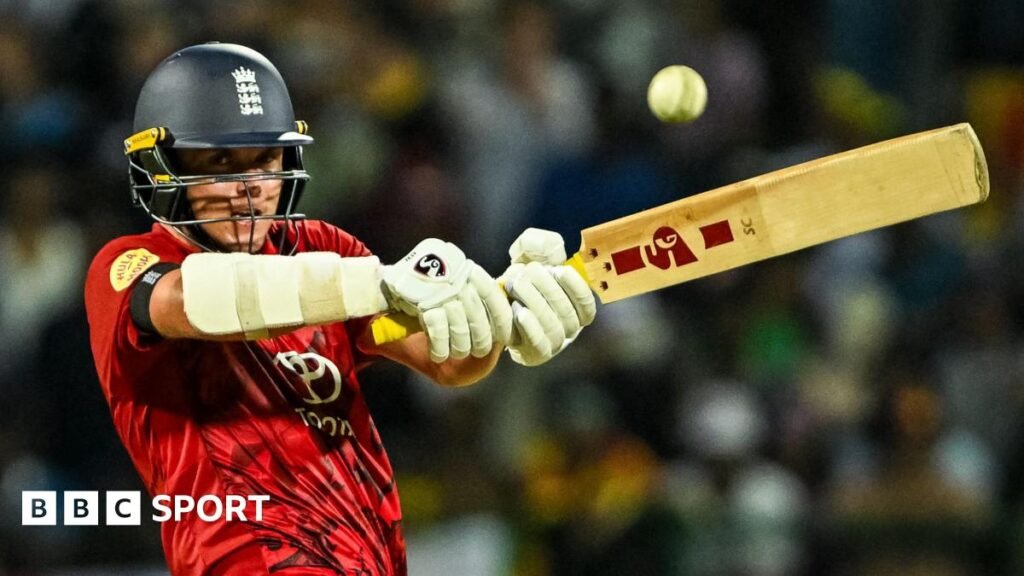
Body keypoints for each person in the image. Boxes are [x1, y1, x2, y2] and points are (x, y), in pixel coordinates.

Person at [84, 42, 595, 576]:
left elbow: (444, 359)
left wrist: (498, 317)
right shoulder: (127, 264)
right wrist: (378, 281)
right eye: (219, 161)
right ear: (160, 167)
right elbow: (195, 299)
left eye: (265, 159)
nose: (250, 189)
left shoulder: (320, 247)